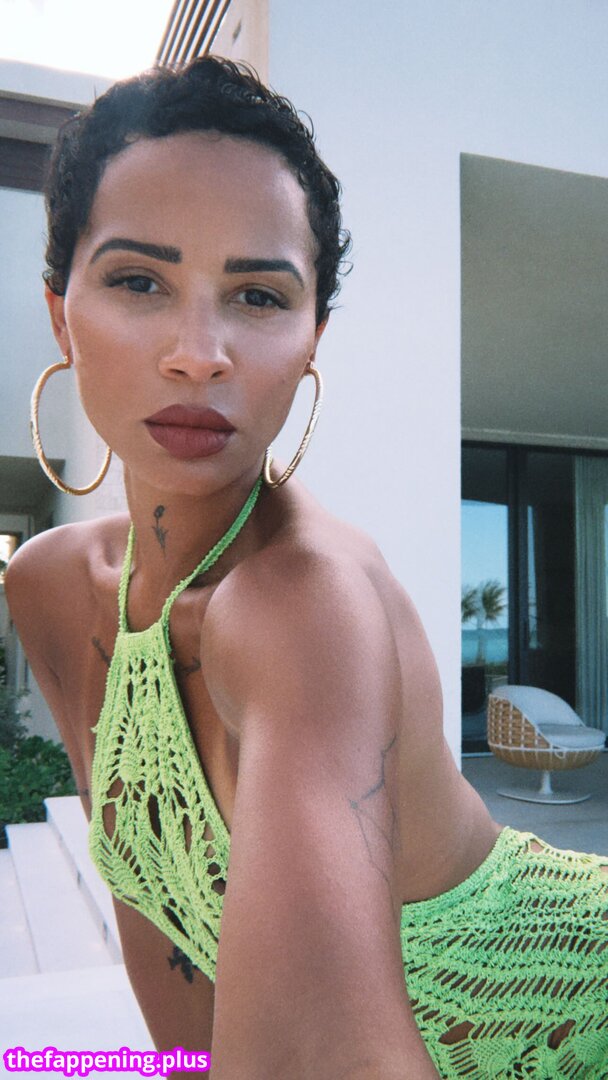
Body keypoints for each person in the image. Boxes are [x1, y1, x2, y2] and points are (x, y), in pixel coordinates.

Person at [5, 56, 608, 1080]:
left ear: (311, 339)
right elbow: (163, 921)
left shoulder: (305, 603)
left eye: (257, 294)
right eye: (140, 280)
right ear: (63, 314)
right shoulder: (51, 588)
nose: (199, 352)